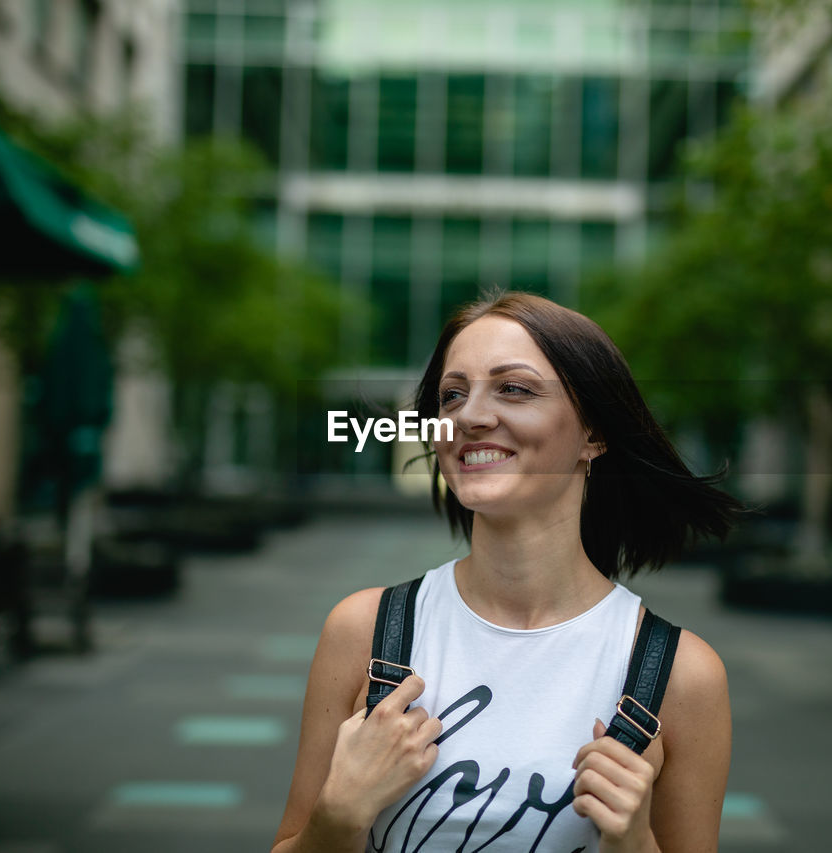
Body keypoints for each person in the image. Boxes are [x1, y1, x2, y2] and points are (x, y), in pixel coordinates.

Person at [271, 292, 742, 852]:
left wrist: (635, 844)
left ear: (593, 434)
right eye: (452, 396)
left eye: (514, 389)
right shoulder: (364, 631)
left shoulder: (681, 675)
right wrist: (337, 815)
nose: (469, 416)